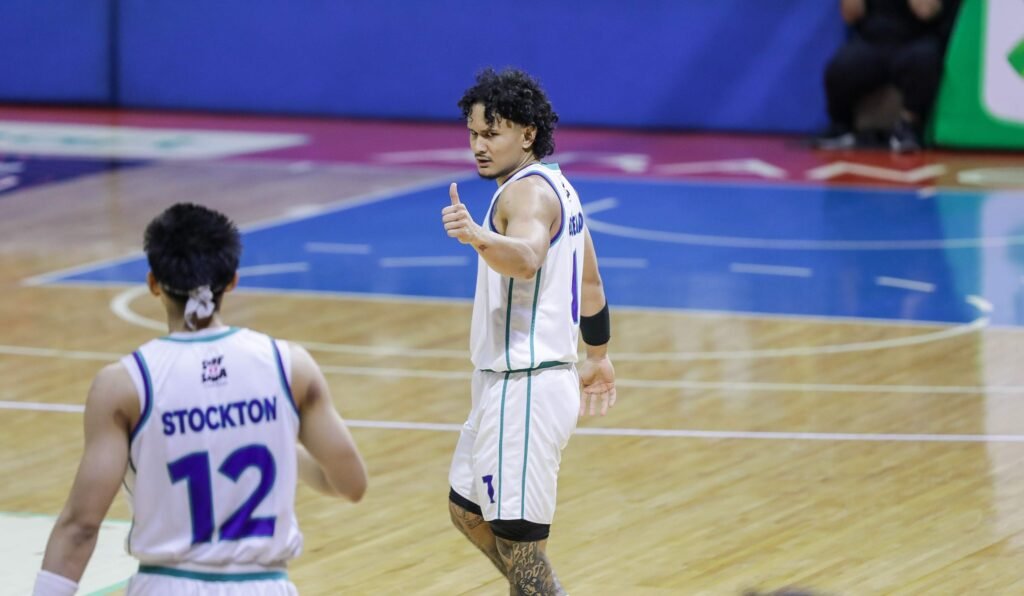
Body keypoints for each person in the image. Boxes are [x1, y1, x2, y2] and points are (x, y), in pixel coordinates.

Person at [33, 203, 367, 595]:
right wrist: (271, 439)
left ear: (154, 283)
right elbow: (350, 483)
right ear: (233, 281)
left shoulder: (123, 385)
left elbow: (81, 526)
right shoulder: (290, 366)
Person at [441, 68, 617, 595]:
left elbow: (526, 259)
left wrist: (478, 237)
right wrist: (599, 356)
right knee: (466, 509)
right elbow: (589, 285)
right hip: (511, 385)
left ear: (528, 134)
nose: (478, 145)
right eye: (473, 133)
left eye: (491, 134)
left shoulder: (528, 197)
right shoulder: (563, 188)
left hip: (526, 387)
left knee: (521, 547)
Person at [815, 0, 961, 152]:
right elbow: (850, 15)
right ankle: (841, 126)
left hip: (916, 38)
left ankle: (908, 127)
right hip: (874, 39)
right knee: (841, 68)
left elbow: (926, 11)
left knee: (923, 61)